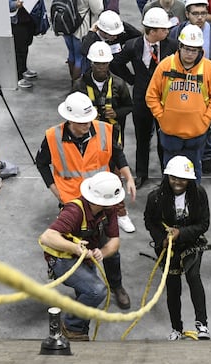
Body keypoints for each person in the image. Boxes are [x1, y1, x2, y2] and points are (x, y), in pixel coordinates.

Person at [35, 91, 135, 309]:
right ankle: (87, 287)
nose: (86, 126)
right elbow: (41, 163)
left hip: (102, 200)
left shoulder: (104, 129)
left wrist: (128, 177)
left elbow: (117, 155)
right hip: (74, 203)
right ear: (69, 119)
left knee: (109, 245)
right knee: (79, 245)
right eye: (81, 123)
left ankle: (116, 285)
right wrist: (56, 191)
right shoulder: (53, 137)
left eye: (89, 120)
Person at [39, 171, 124, 341]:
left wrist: (103, 252)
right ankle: (72, 327)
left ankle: (81, 314)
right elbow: (47, 237)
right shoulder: (75, 211)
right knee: (97, 291)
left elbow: (114, 241)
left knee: (87, 291)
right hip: (63, 259)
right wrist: (75, 248)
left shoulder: (108, 210)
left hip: (85, 256)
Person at [145, 24, 211, 182]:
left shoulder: (208, 68)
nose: (190, 54)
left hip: (196, 133)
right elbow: (151, 95)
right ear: (179, 46)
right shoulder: (166, 66)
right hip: (170, 133)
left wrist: (206, 119)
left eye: (194, 50)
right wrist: (162, 117)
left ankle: (193, 202)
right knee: (171, 172)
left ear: (200, 50)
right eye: (187, 49)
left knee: (194, 171)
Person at [144, 156, 211, 340]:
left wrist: (181, 233)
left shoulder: (198, 194)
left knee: (193, 277)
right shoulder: (156, 197)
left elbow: (204, 224)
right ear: (167, 177)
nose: (177, 182)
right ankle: (177, 329)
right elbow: (149, 221)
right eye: (173, 178)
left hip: (191, 244)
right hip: (168, 248)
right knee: (173, 287)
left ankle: (202, 325)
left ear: (189, 179)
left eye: (182, 178)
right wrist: (161, 239)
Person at [110, 7, 177, 189]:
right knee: (142, 138)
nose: (167, 31)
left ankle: (167, 174)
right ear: (152, 31)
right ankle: (142, 174)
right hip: (141, 100)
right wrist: (132, 79)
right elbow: (116, 64)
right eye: (163, 29)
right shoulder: (133, 45)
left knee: (164, 139)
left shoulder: (172, 46)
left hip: (165, 100)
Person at [72, 41, 135, 233]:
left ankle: (121, 214)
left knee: (115, 177)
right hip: (86, 141)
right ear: (90, 63)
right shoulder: (80, 85)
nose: (101, 67)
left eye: (104, 63)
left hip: (112, 140)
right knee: (87, 177)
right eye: (97, 63)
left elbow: (129, 106)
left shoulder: (118, 83)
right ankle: (86, 213)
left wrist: (116, 113)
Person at [169, 0, 211, 174]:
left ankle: (207, 155)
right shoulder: (177, 32)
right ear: (187, 14)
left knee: (208, 121)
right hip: (182, 84)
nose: (200, 17)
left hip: (205, 83)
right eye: (196, 13)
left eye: (203, 13)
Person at [63, 0, 104, 84]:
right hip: (81, 26)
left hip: (66, 23)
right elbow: (97, 9)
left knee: (71, 54)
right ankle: (77, 85)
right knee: (80, 58)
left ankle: (73, 81)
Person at [9, 0, 37, 89]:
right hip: (16, 21)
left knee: (25, 45)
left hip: (27, 17)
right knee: (18, 49)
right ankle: (18, 77)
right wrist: (14, 5)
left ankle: (23, 69)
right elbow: (2, 4)